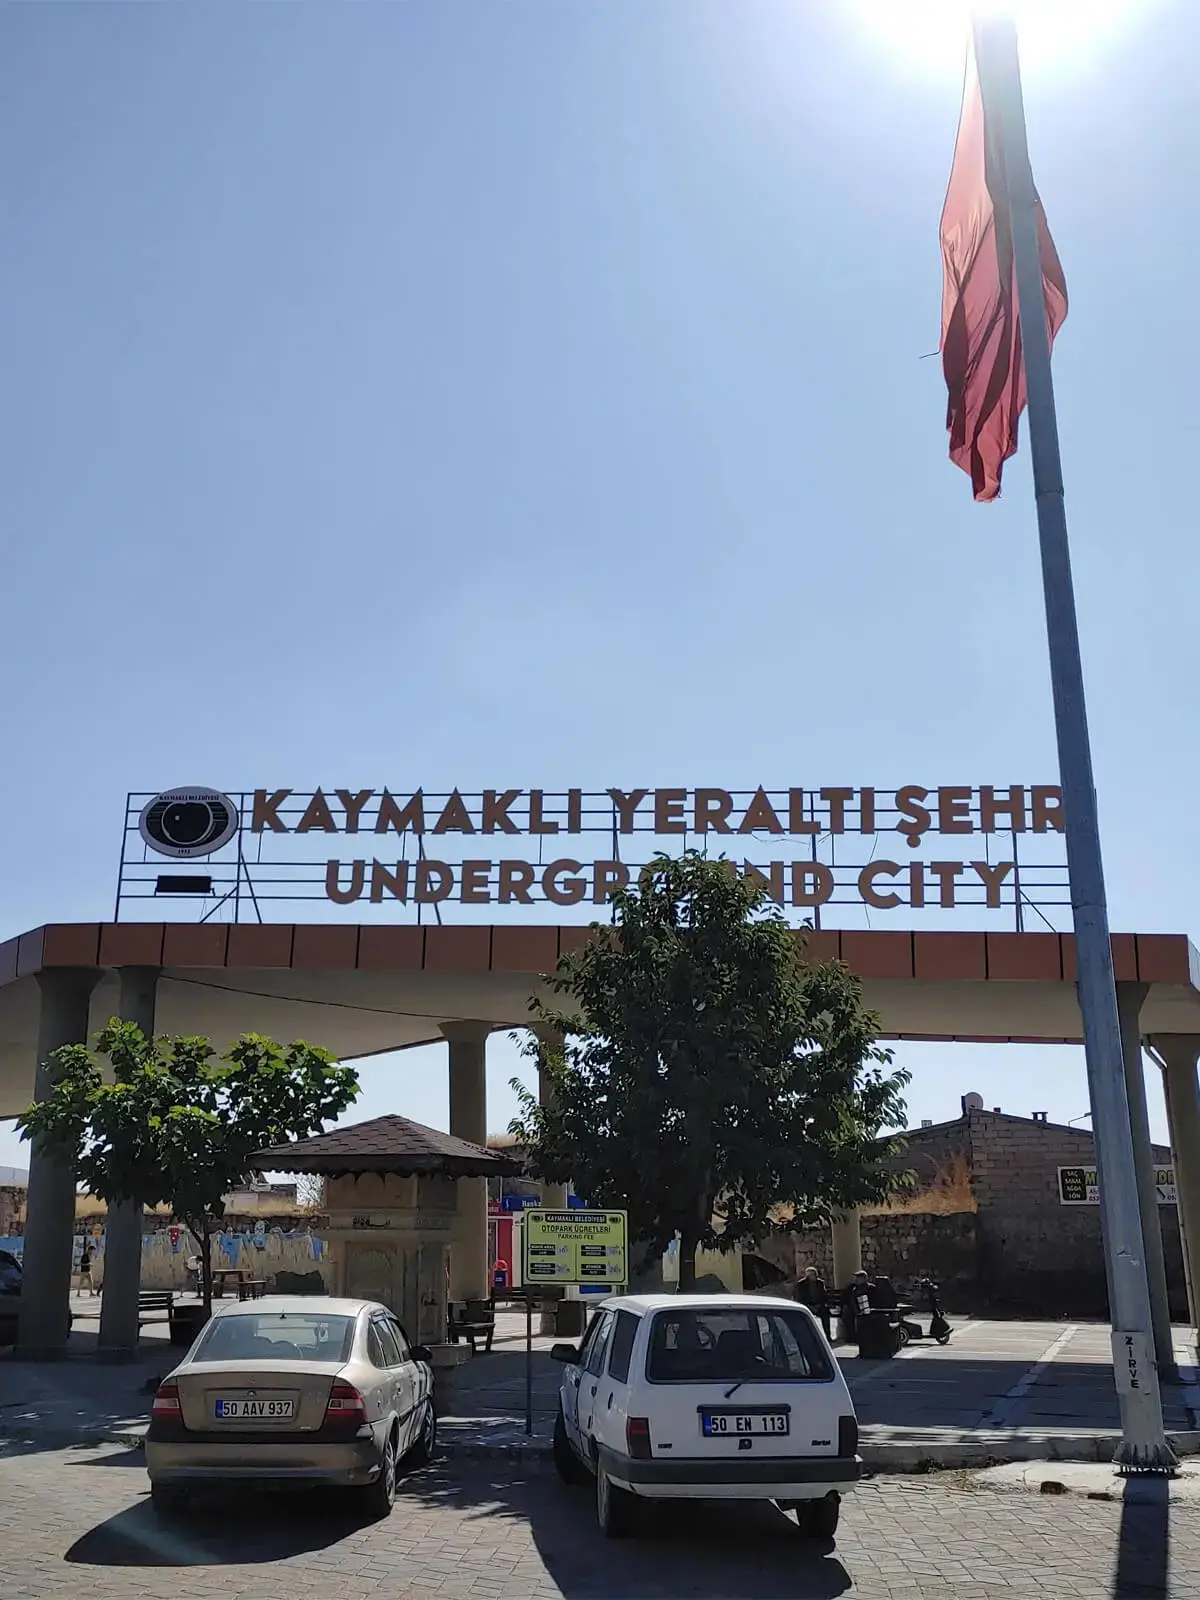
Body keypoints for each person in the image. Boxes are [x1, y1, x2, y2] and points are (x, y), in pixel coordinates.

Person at [794, 1267, 831, 1340]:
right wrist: (809, 1306)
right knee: (803, 1316)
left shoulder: (820, 1283)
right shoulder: (801, 1284)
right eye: (810, 1274)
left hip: (819, 1305)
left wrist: (820, 1305)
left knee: (826, 1313)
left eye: (814, 1274)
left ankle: (828, 1336)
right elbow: (799, 1298)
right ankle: (806, 1336)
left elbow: (824, 1296)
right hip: (807, 1305)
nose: (812, 1276)